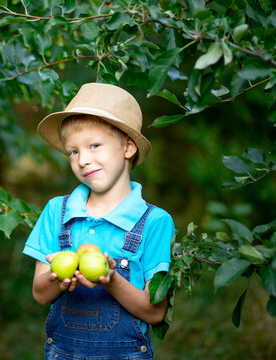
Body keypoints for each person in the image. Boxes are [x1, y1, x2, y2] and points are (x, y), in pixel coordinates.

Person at [22, 83, 175, 359]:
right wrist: (59, 279)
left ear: (128, 147)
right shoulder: (57, 211)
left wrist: (111, 279)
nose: (83, 160)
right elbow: (39, 294)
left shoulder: (155, 221)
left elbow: (155, 311)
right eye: (74, 151)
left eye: (94, 145)